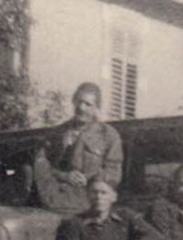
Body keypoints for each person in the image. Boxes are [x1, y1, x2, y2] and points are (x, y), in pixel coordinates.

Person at [33, 81, 125, 212]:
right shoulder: (57, 133)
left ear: (96, 108)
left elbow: (113, 172)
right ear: (73, 102)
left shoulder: (108, 135)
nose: (81, 107)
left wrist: (88, 178)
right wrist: (64, 176)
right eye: (79, 102)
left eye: (88, 104)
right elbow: (42, 166)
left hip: (89, 204)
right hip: (54, 201)